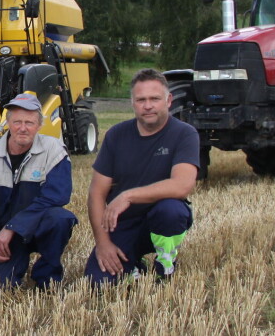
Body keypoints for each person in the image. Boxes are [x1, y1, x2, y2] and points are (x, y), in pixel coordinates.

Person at [84, 68, 199, 285]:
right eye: (141, 100)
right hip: (123, 223)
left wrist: (127, 196)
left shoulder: (184, 134)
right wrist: (103, 243)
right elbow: (96, 193)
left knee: (171, 211)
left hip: (162, 218)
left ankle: (166, 262)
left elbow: (182, 186)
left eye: (155, 99)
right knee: (98, 283)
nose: (148, 106)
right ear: (133, 103)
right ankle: (133, 263)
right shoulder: (116, 135)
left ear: (169, 100)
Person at [0, 93, 77, 292]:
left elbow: (57, 196)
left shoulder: (55, 151)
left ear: (39, 125)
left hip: (36, 228)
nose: (23, 128)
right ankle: (7, 264)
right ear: (7, 122)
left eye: (29, 122)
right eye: (17, 122)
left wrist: (13, 228)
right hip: (2, 238)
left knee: (60, 218)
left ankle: (47, 274)